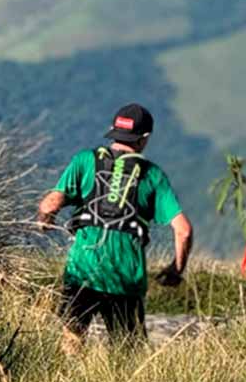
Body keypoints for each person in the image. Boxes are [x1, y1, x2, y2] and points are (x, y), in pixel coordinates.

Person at [36, 103, 193, 342]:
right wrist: (176, 269)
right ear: (145, 138)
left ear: (113, 130)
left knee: (72, 337)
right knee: (127, 350)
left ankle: (72, 378)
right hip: (126, 276)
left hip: (83, 269)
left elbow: (50, 203)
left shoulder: (84, 161)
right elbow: (183, 230)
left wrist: (45, 223)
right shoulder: (153, 175)